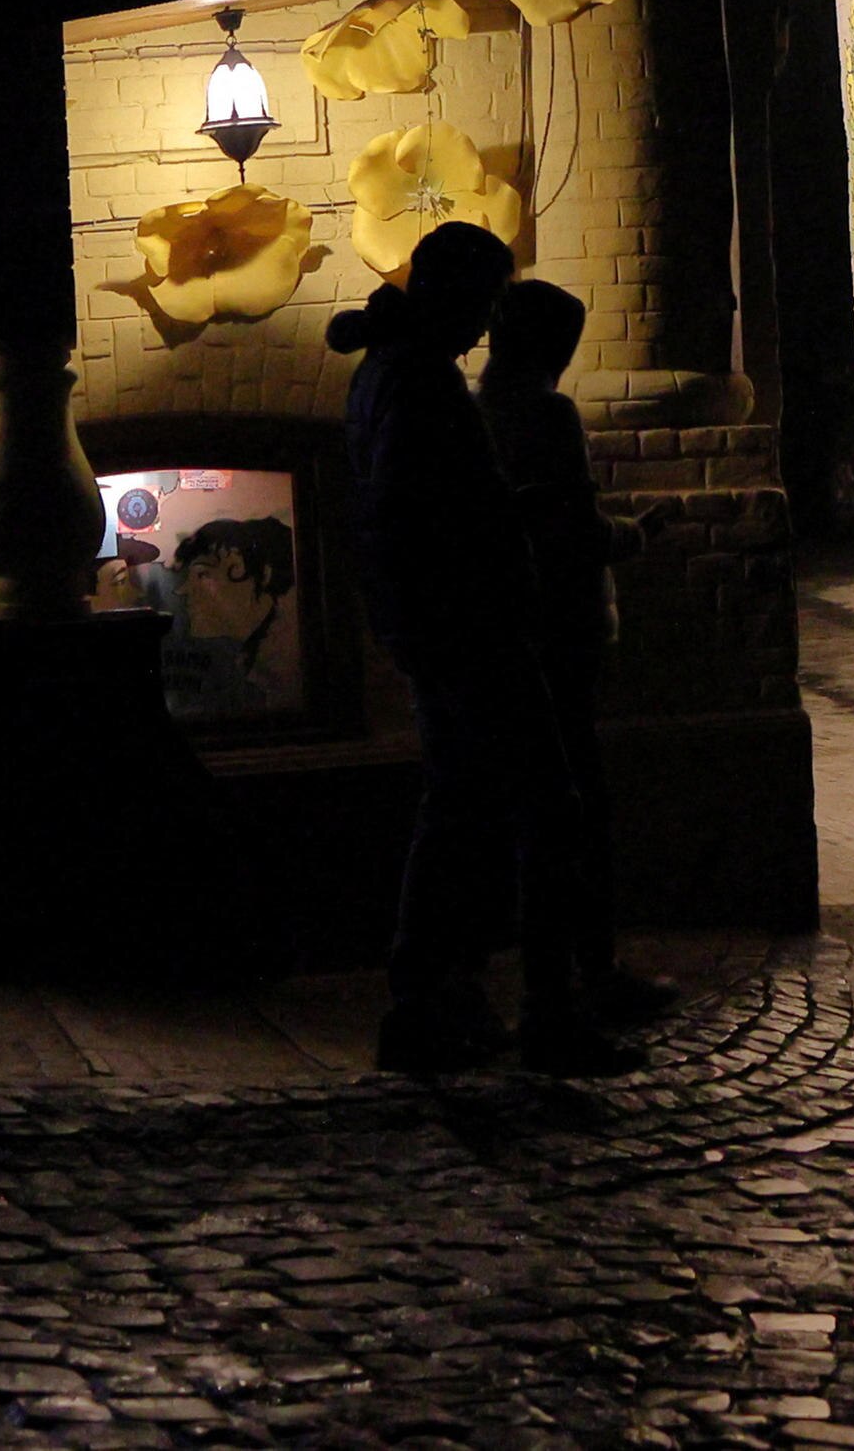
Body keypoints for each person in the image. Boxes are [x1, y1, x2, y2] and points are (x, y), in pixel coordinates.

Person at [337, 222, 636, 1077]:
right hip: (470, 627)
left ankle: (434, 999)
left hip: (438, 627)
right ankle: (544, 1013)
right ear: (455, 294)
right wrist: (512, 522)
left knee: (459, 809)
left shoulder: (388, 371)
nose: (484, 326)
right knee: (548, 807)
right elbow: (427, 510)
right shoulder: (420, 381)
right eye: (483, 302)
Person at [480, 274, 670, 1027]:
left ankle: (548, 978)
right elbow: (569, 532)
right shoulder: (547, 413)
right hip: (561, 633)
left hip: (504, 634)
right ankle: (581, 977)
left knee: (531, 809)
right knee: (575, 809)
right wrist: (633, 534)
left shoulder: (475, 411)